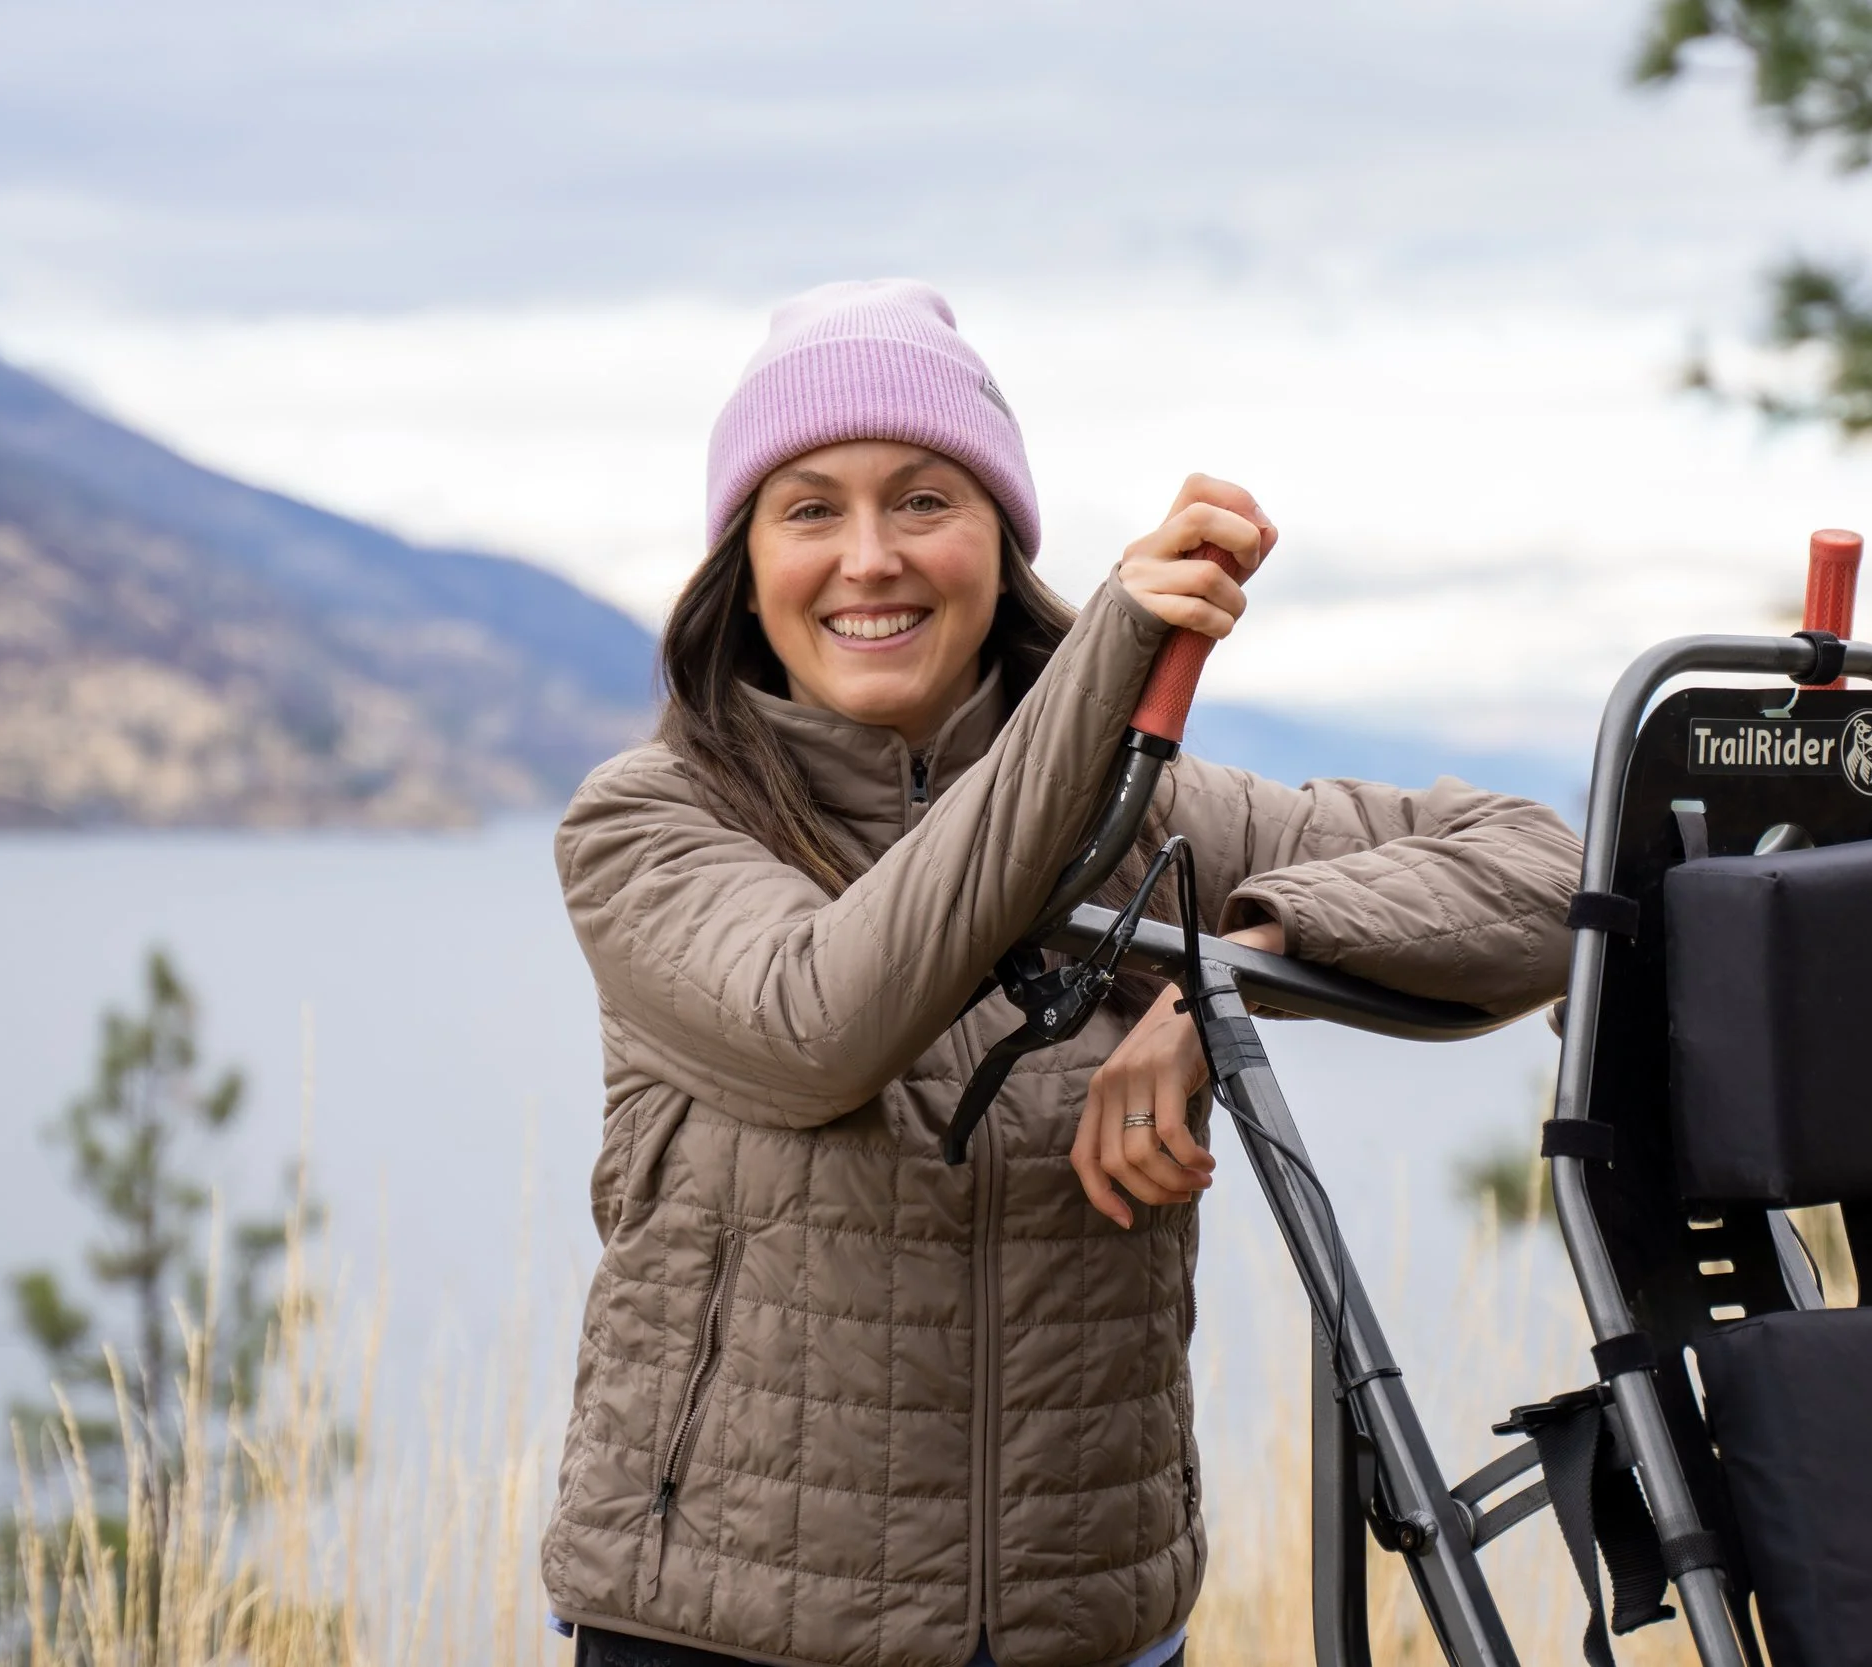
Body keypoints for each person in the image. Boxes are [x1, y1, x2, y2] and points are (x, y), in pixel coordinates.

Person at [544, 279, 1582, 1667]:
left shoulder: (1141, 811)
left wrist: (1225, 984)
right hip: (726, 1632)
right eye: (810, 510)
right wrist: (1102, 667)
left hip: (1089, 1627)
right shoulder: (652, 822)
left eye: (925, 500)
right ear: (744, 563)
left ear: (997, 538)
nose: (871, 557)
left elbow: (1546, 872)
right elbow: (819, 1021)